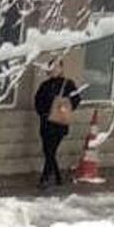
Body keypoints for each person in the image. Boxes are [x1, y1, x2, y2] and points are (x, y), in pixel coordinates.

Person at [32, 59, 84, 189]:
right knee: (47, 150)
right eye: (51, 68)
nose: (53, 70)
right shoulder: (45, 85)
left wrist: (66, 107)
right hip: (46, 122)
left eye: (56, 67)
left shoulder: (68, 84)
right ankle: (57, 176)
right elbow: (38, 100)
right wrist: (43, 112)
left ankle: (45, 177)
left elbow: (76, 99)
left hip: (59, 123)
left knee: (51, 149)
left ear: (61, 68)